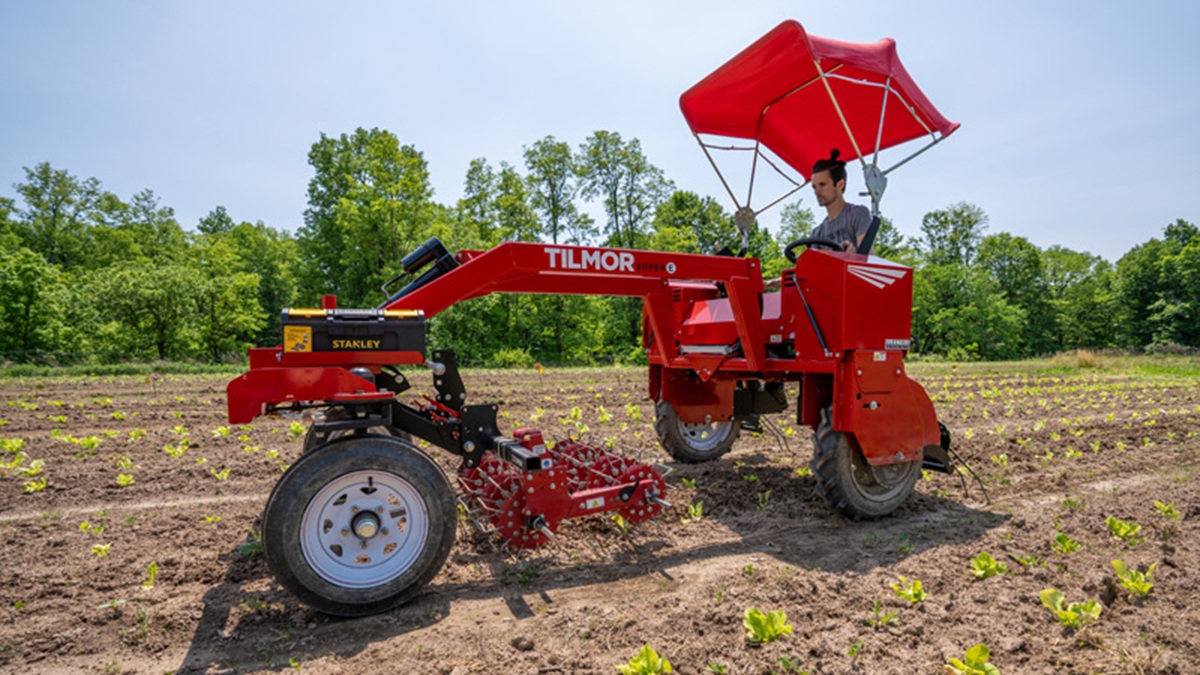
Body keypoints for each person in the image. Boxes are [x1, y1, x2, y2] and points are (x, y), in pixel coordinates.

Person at [810, 149, 872, 253]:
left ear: (840, 184)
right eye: (814, 187)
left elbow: (866, 257)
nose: (817, 192)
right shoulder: (817, 233)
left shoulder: (858, 214)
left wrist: (852, 255)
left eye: (822, 185)